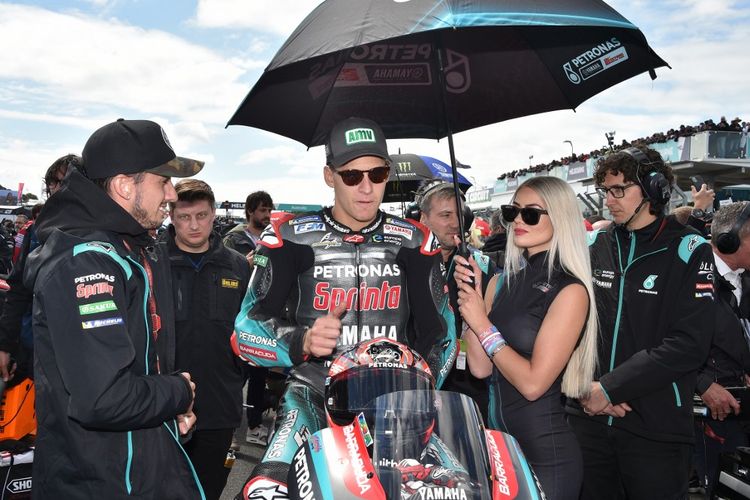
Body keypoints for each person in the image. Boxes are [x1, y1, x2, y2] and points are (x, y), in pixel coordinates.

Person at [232, 117, 456, 499]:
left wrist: (419, 390)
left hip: (396, 403)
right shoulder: (287, 236)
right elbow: (243, 333)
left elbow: (444, 335)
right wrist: (302, 340)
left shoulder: (417, 241)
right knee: (266, 489)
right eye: (352, 176)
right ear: (329, 176)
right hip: (311, 396)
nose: (367, 188)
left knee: (458, 486)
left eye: (378, 173)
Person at [24, 119, 205, 499]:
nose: (172, 194)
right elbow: (104, 398)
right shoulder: (87, 263)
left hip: (135, 466)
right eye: (163, 181)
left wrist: (167, 415)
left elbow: (138, 366)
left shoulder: (134, 248)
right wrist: (176, 393)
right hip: (98, 482)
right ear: (125, 186)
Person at [566, 145, 715, 499]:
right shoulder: (594, 245)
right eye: (605, 191)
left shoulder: (690, 250)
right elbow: (566, 329)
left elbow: (688, 344)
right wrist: (587, 388)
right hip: (587, 418)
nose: (609, 200)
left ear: (654, 190)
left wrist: (612, 388)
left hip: (655, 428)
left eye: (619, 190)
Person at [453, 176, 599, 499]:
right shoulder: (500, 283)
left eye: (530, 213)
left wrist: (484, 324)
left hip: (546, 457)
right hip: (498, 452)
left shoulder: (571, 291)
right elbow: (479, 367)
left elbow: (534, 384)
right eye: (512, 211)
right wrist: (473, 308)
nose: (518, 220)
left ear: (558, 217)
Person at [160, 179, 250, 500]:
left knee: (209, 491)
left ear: (214, 214)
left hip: (219, 404)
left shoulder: (238, 266)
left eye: (201, 215)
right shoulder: (152, 263)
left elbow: (250, 329)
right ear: (171, 215)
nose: (194, 225)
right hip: (163, 405)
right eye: (184, 217)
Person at [0, 154, 82, 384]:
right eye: (52, 184)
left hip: (82, 357)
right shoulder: (37, 231)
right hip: (35, 348)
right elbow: (18, 290)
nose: (57, 189)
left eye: (64, 182)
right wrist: (5, 344)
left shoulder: (104, 232)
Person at [416, 180, 491, 422]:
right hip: (421, 382)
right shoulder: (410, 265)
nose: (455, 223)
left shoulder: (479, 265)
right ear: (424, 219)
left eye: (459, 215)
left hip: (470, 383)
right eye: (446, 215)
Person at [693, 201, 750, 496]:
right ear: (731, 239)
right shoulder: (689, 277)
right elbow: (661, 342)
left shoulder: (745, 279)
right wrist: (702, 384)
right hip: (709, 414)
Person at [222, 190, 277, 445]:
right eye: (262, 210)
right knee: (236, 375)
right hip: (238, 313)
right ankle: (231, 430)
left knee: (258, 374)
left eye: (269, 210)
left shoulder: (272, 238)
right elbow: (222, 272)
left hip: (264, 315)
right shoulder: (233, 239)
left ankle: (254, 427)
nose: (267, 215)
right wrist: (245, 263)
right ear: (251, 211)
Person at [481, 209, 507, 273]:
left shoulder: (482, 257)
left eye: (491, 229)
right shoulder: (522, 252)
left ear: (499, 229)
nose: (490, 233)